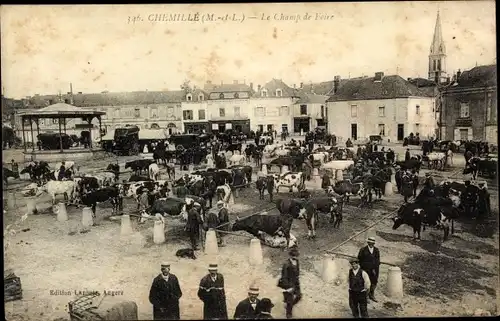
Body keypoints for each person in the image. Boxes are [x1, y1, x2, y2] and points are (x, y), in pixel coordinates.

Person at [277, 247, 301, 319]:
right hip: (288, 283)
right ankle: (288, 314)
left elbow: (297, 272)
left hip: (296, 283)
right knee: (289, 300)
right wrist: (288, 287)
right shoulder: (286, 264)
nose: (295, 257)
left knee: (299, 296)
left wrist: (297, 281)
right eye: (293, 256)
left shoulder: (297, 261)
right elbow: (284, 277)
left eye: (296, 255)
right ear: (290, 255)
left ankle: (288, 305)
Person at [357, 237, 381, 302]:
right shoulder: (363, 250)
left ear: (374, 243)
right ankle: (366, 296)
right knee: (366, 282)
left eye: (372, 243)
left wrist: (374, 268)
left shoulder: (376, 250)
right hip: (366, 269)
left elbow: (378, 260)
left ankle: (371, 295)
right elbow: (359, 259)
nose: (371, 244)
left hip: (374, 270)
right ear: (367, 242)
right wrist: (363, 268)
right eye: (370, 243)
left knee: (374, 282)